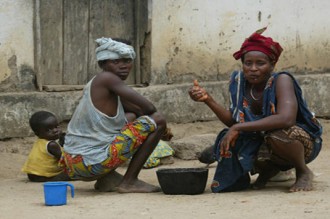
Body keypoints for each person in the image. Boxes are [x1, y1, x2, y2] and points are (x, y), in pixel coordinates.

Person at [189, 27, 322, 193]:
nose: (253, 68)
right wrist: (208, 100)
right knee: (234, 138)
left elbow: (286, 119)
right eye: (248, 63)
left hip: (300, 142)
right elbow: (234, 120)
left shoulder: (281, 80)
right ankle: (269, 170)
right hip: (263, 138)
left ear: (272, 65)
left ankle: (303, 171)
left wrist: (237, 127)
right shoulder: (238, 82)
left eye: (260, 63)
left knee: (279, 134)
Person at [59, 37, 167, 193]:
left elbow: (138, 112)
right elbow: (150, 108)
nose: (123, 66)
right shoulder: (107, 78)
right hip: (90, 163)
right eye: (115, 62)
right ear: (102, 64)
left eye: (127, 61)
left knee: (130, 117)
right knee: (159, 120)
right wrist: (160, 128)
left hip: (75, 164)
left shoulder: (99, 85)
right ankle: (129, 182)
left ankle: (107, 179)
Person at [22, 111, 71, 182]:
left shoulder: (40, 141)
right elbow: (64, 160)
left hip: (32, 175)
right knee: (72, 174)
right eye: (48, 130)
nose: (55, 131)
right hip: (43, 175)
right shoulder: (52, 145)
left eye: (56, 126)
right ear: (37, 133)